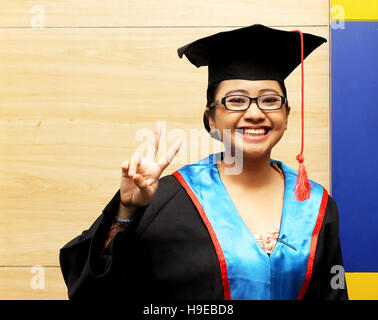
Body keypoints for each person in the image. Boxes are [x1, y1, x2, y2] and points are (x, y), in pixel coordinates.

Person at [59, 24, 348, 300]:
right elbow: (92, 293)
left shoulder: (315, 204)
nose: (256, 114)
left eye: (270, 100)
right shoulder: (167, 198)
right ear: (210, 118)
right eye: (236, 101)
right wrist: (126, 213)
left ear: (286, 115)